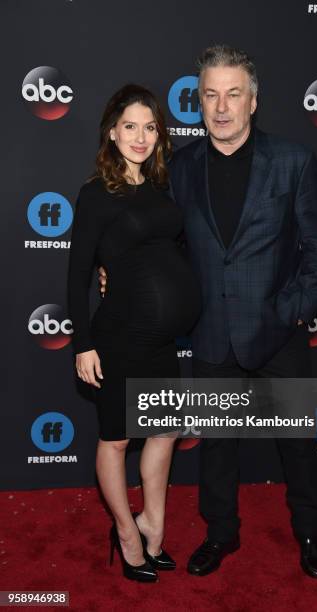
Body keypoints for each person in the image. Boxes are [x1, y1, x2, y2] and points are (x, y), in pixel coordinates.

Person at [99, 45, 317, 579]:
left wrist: (294, 313)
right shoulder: (178, 167)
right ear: (198, 101)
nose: (222, 106)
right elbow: (153, 237)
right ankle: (220, 534)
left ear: (253, 101)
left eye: (234, 94)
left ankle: (308, 530)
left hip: (278, 333)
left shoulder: (293, 161)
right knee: (218, 449)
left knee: (297, 443)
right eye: (211, 95)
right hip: (211, 334)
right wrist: (112, 267)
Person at [67, 84, 201, 582]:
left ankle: (154, 524)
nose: (141, 137)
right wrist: (82, 343)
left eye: (150, 127)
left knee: (164, 431)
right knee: (118, 441)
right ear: (112, 131)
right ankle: (126, 533)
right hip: (119, 338)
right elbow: (78, 273)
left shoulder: (162, 188)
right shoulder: (95, 194)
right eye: (131, 126)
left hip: (161, 342)